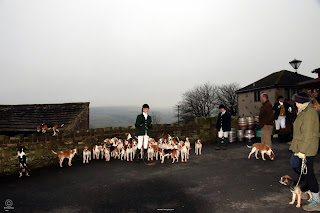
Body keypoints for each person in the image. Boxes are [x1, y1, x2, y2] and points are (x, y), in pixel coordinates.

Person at [289, 92, 320, 211]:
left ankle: (316, 200)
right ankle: (307, 188)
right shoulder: (304, 111)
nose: (295, 104)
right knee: (295, 165)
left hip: (307, 148)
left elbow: (307, 134)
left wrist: (302, 150)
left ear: (300, 102)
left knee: (309, 173)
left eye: (296, 102)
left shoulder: (309, 112)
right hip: (300, 146)